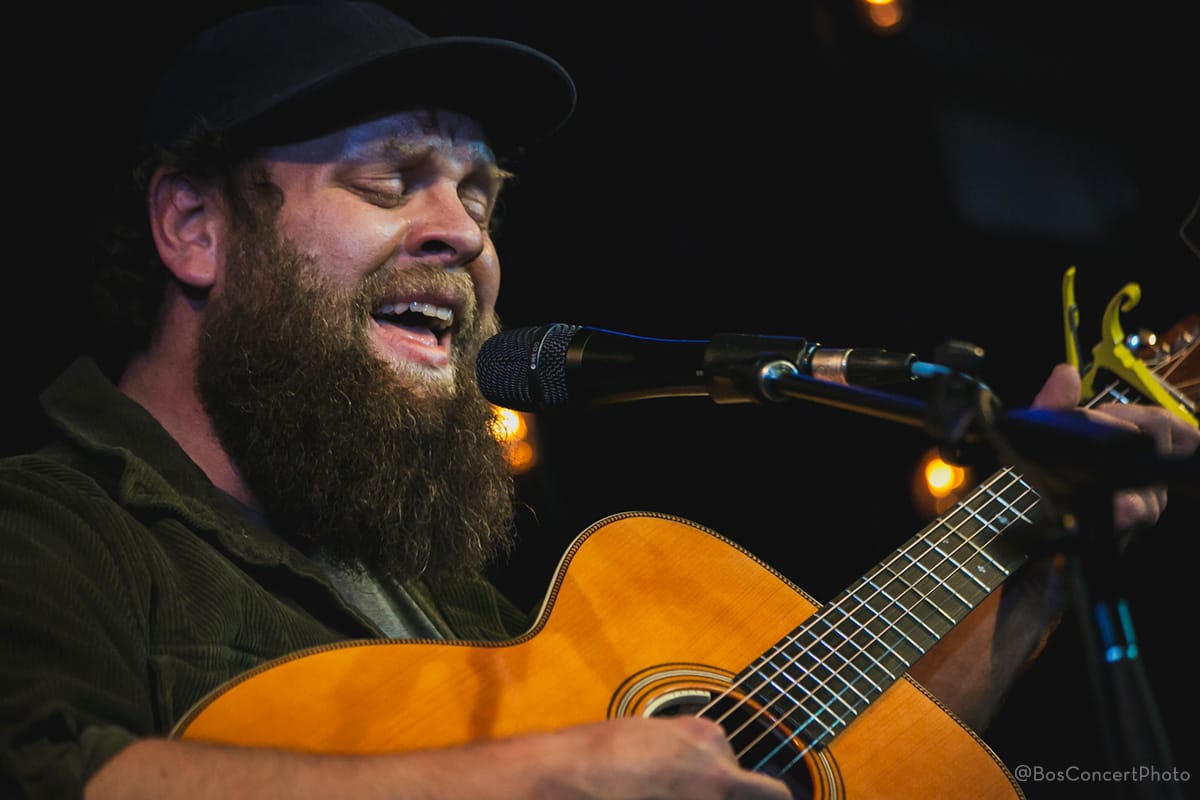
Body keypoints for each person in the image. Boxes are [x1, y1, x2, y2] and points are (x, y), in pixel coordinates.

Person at [1, 3, 1196, 799]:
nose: (462, 231)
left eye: (482, 194)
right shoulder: (47, 533)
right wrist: (546, 770)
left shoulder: (449, 596)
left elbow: (851, 761)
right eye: (391, 180)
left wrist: (1027, 569)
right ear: (194, 226)